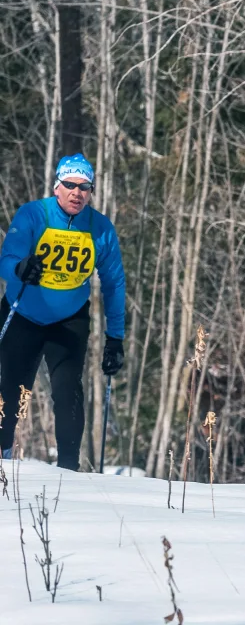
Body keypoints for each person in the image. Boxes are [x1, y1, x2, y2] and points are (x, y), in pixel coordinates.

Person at [0, 154, 125, 469]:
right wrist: (20, 268)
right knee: (11, 388)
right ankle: (2, 458)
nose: (77, 193)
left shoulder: (100, 228)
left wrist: (115, 338)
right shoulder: (33, 214)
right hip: (23, 313)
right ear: (57, 187)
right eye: (70, 185)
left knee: (68, 391)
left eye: (85, 187)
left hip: (68, 320)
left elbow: (114, 284)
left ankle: (69, 468)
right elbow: (7, 257)